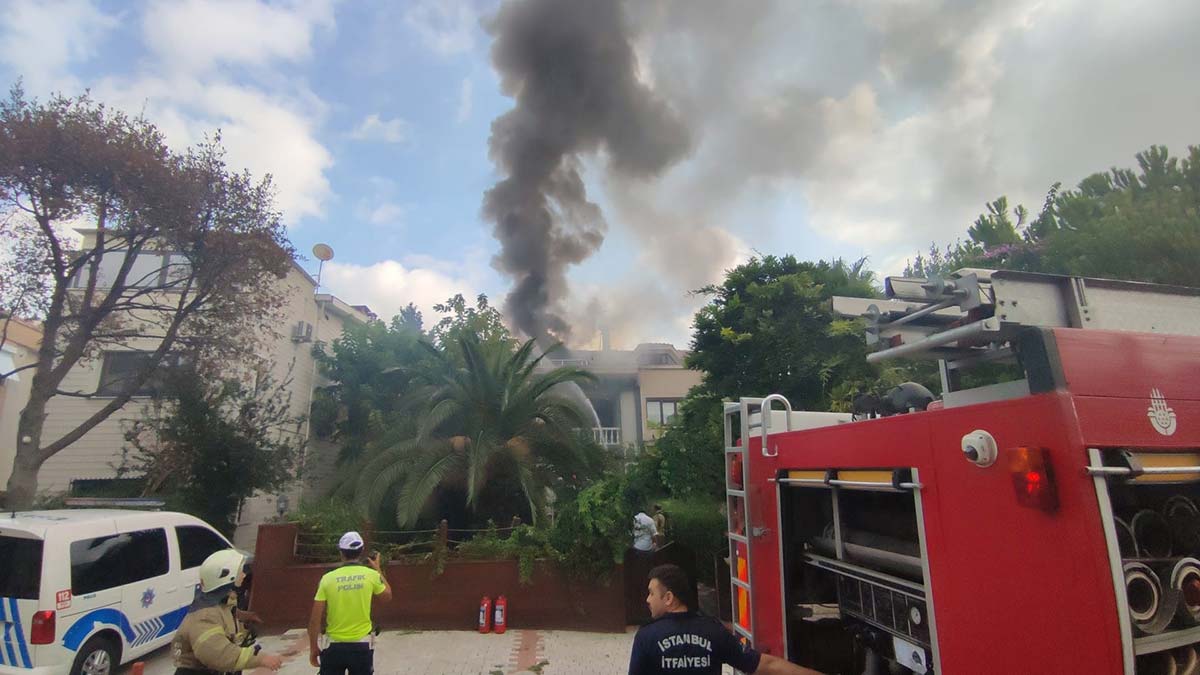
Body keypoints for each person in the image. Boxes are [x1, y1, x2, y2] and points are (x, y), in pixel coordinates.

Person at [628, 564, 823, 675]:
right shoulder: (713, 632)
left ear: (669, 598)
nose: (647, 599)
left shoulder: (646, 637)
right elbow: (765, 665)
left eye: (651, 593)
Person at [173, 549, 284, 675]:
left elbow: (225, 615)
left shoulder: (219, 601)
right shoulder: (205, 617)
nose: (243, 575)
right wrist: (261, 658)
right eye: (240, 572)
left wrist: (242, 617)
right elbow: (219, 654)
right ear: (226, 576)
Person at [308, 531, 393, 675]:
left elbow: (314, 620)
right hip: (362, 644)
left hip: (333, 646)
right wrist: (377, 569)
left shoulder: (327, 579)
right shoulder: (370, 575)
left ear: (341, 553)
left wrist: (313, 647)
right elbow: (387, 597)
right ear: (360, 552)